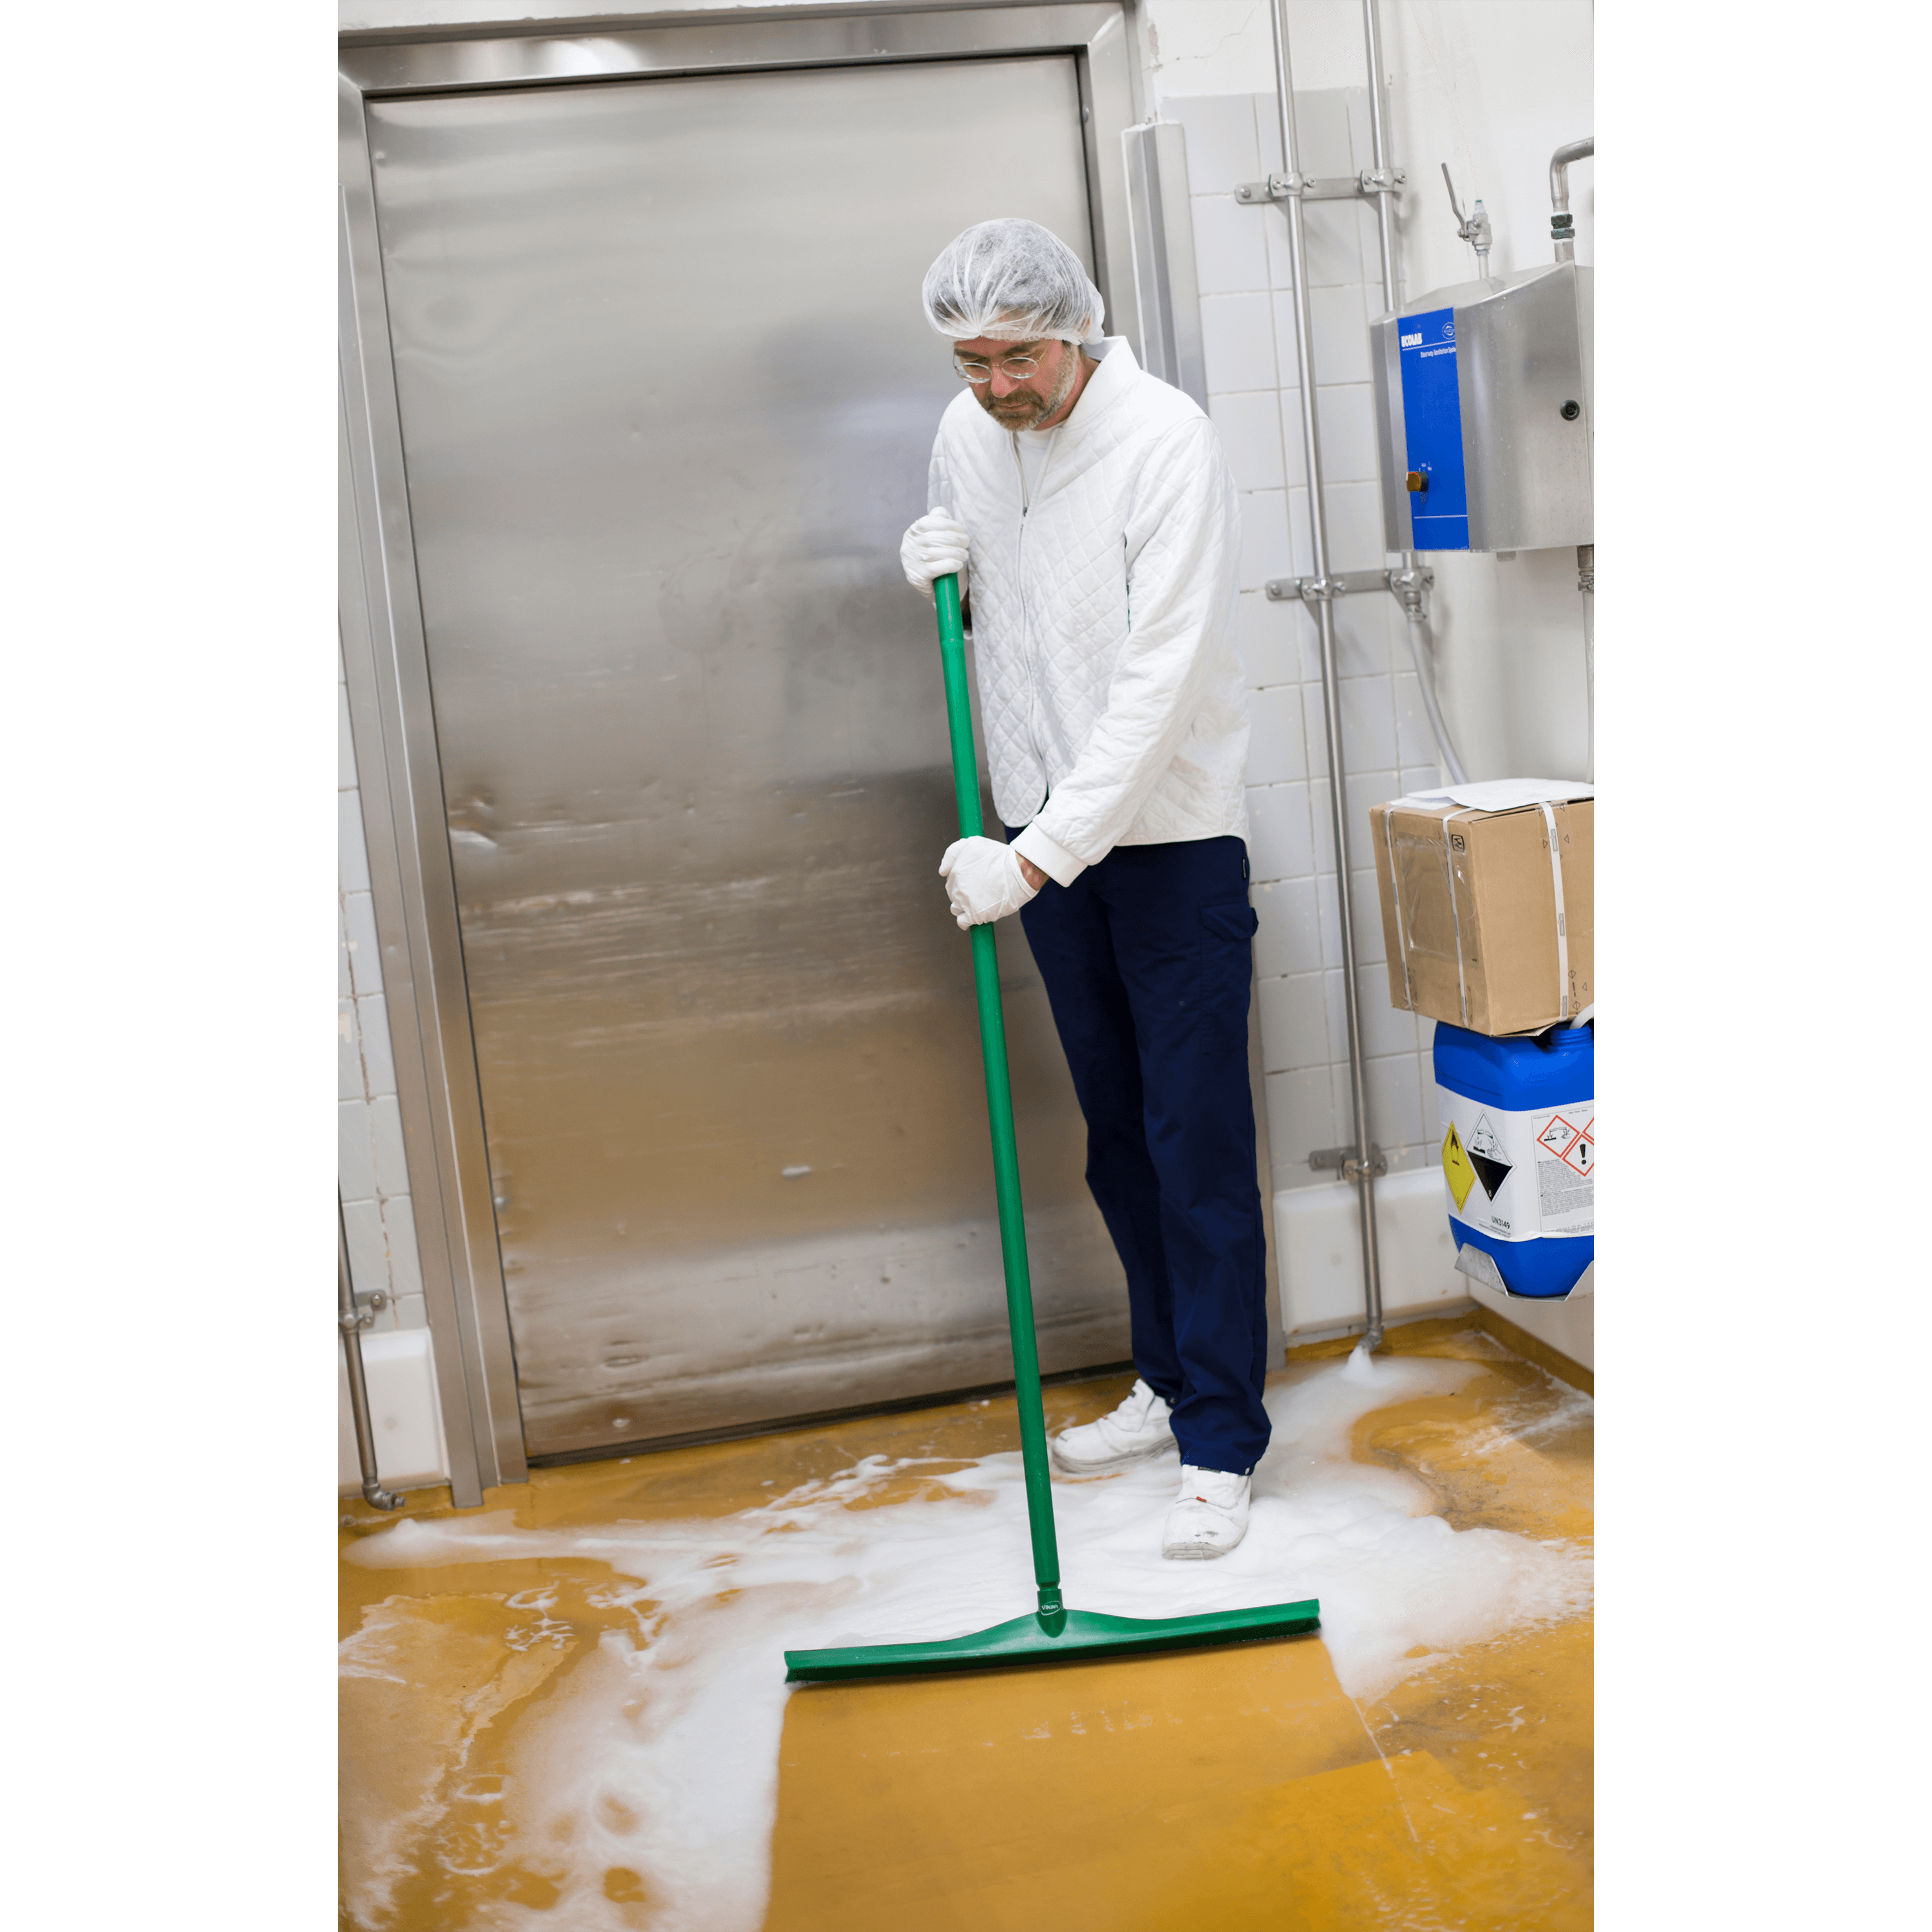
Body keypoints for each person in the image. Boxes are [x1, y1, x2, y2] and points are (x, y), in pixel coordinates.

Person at [899, 218, 1267, 1560]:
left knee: (1196, 1147)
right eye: (966, 360)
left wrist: (1040, 851)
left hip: (1163, 845)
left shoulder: (1167, 440)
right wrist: (949, 588)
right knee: (1116, 1134)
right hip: (1035, 844)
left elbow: (1156, 682)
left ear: (1076, 326)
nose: (992, 385)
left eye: (1012, 356)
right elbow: (1020, 632)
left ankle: (1224, 1440)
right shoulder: (968, 436)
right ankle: (1167, 1387)